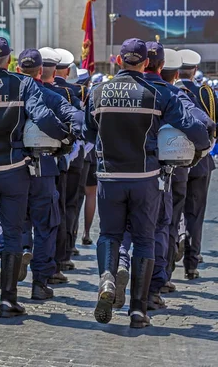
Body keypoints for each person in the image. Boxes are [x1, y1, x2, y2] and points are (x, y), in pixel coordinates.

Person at [86, 38, 210, 328]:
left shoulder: (97, 92)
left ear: (118, 60)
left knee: (109, 235)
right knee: (143, 240)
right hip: (146, 178)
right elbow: (192, 127)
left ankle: (107, 277)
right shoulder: (157, 93)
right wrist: (200, 148)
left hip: (109, 177)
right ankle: (138, 311)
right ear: (146, 63)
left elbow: (89, 133)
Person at [0, 37, 71, 318]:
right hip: (13, 168)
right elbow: (41, 114)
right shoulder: (22, 84)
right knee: (14, 230)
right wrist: (63, 137)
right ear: (9, 60)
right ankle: (8, 300)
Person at [4, 48, 83, 301]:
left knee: (14, 223)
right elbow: (78, 121)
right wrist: (66, 139)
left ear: (18, 69)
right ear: (41, 71)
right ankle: (40, 282)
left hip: (11, 166)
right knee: (47, 224)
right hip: (46, 167)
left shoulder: (6, 94)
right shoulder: (52, 95)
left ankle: (15, 267)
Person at [175, 49, 216, 280]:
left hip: (175, 160)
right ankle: (191, 265)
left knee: (172, 210)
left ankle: (174, 246)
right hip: (201, 161)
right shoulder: (206, 93)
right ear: (195, 70)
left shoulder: (170, 91)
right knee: (195, 213)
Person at [54, 49, 85, 269]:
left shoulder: (33, 88)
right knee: (70, 203)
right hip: (72, 154)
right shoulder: (75, 92)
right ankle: (65, 251)